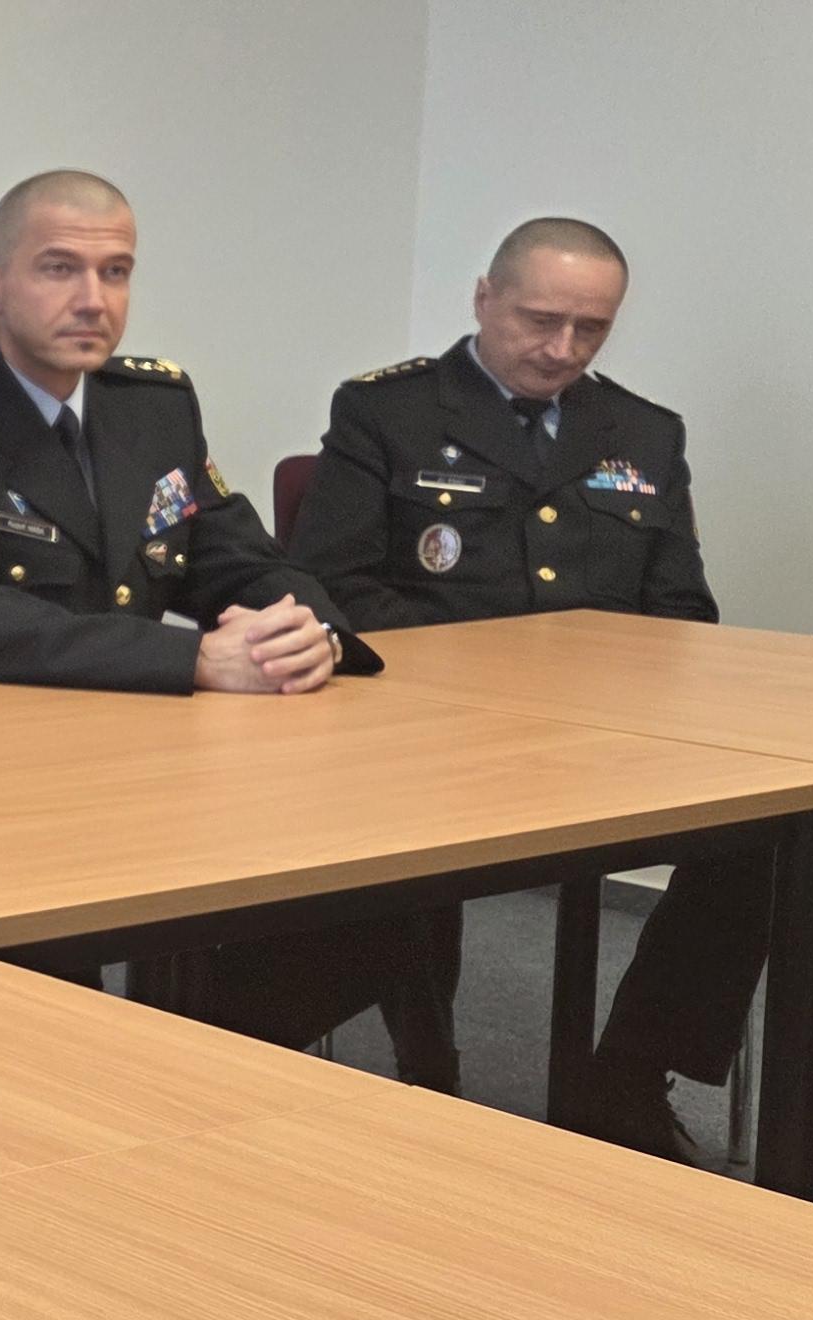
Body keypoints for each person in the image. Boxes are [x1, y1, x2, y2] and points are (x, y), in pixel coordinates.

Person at [0, 168, 432, 1063]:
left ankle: (204, 1066)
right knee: (45, 1025)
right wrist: (193, 661)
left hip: (137, 766)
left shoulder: (152, 405)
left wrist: (308, 632)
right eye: (59, 268)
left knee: (374, 886)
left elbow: (239, 556)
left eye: (115, 272)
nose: (93, 299)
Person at [291, 215, 760, 1158]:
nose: (563, 348)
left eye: (592, 328)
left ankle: (629, 1072)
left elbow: (681, 611)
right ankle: (429, 1070)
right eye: (541, 320)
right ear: (484, 298)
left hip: (599, 735)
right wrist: (489, 677)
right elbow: (333, 584)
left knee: (768, 831)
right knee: (411, 832)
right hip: (430, 725)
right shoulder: (388, 412)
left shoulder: (645, 432)